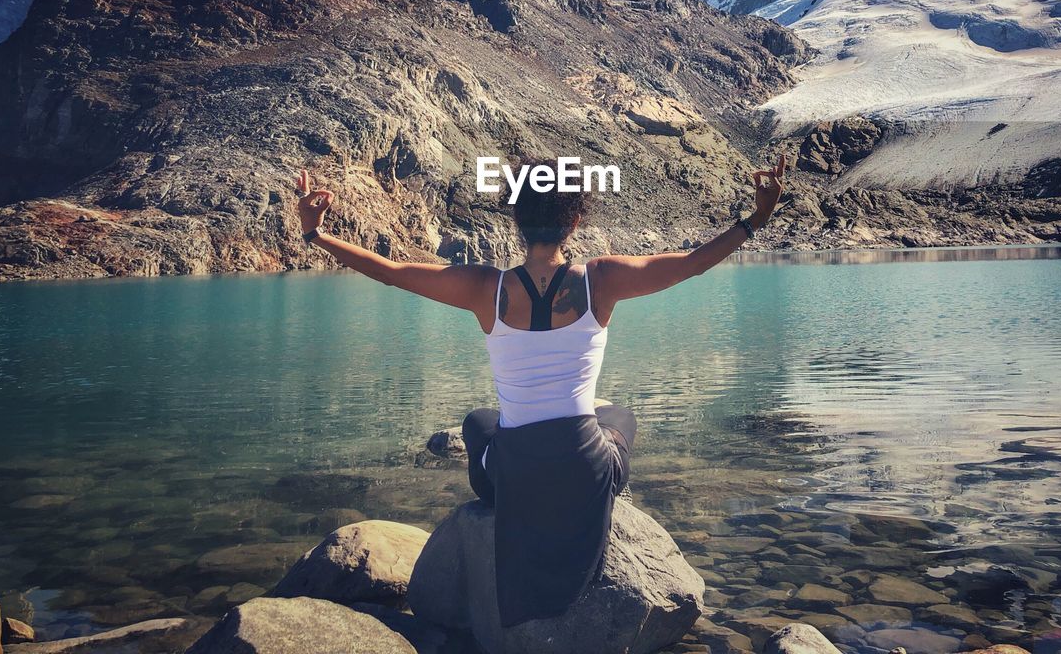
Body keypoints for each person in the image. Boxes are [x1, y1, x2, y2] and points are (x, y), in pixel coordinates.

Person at [293, 154, 785, 625]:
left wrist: (317, 233)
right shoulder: (602, 279)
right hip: (586, 472)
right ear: (575, 220)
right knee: (619, 418)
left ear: (517, 219)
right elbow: (692, 263)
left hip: (513, 475)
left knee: (479, 423)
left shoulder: (486, 287)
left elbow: (393, 273)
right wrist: (755, 219)